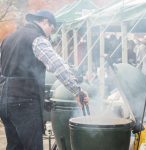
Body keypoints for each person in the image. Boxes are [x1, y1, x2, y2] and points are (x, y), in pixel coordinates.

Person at [0, 10, 88, 150]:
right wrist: (77, 90)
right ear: (45, 22)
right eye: (51, 30)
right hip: (24, 102)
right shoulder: (37, 39)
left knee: (15, 146)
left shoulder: (8, 39)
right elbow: (58, 66)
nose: (50, 35)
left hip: (4, 102)